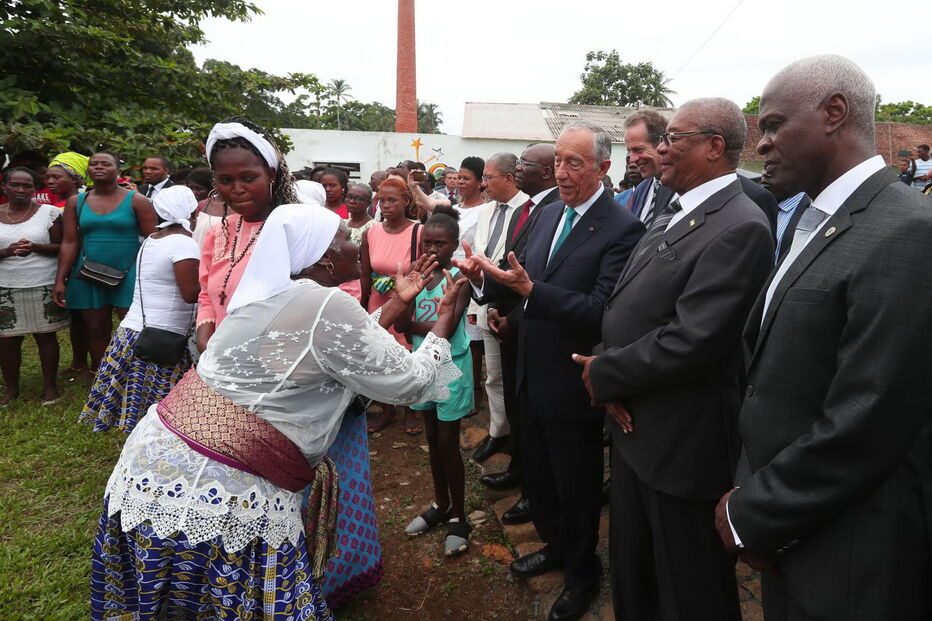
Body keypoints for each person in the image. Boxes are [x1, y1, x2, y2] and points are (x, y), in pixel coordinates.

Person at [90, 203, 467, 620]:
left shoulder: (273, 295)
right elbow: (410, 381)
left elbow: (341, 345)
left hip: (154, 466)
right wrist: (446, 318)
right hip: (218, 488)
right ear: (323, 256)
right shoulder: (325, 304)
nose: (354, 243)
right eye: (344, 238)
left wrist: (398, 299)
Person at [715, 55, 932, 621]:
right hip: (797, 530)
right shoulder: (816, 220)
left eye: (773, 124)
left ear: (835, 113)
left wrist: (754, 513)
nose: (760, 144)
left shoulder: (908, 231)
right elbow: (776, 377)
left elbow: (869, 414)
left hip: (853, 549)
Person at [575, 98, 774, 621]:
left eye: (674, 138)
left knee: (690, 586)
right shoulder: (676, 208)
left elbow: (695, 339)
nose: (661, 149)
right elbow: (625, 303)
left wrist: (605, 373)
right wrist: (606, 365)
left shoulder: (740, 226)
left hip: (682, 443)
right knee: (636, 570)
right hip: (636, 425)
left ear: (714, 146)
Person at [457, 122, 644, 621]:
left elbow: (603, 309)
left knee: (576, 485)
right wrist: (486, 284)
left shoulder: (623, 229)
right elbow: (520, 279)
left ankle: (583, 574)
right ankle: (556, 548)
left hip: (573, 380)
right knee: (539, 478)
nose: (561, 172)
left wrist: (530, 294)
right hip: (530, 371)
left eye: (574, 163)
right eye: (558, 161)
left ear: (604, 168)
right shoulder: (546, 214)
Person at [481, 143, 561, 528]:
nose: (517, 169)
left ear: (541, 172)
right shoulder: (537, 208)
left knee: (531, 412)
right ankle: (521, 469)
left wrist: (512, 314)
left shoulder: (549, 208)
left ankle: (534, 491)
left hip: (530, 323)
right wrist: (486, 286)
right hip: (513, 317)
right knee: (516, 404)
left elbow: (537, 275)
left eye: (523, 164)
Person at [79, 185, 200, 432]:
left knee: (138, 404)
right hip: (164, 337)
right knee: (163, 410)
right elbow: (190, 294)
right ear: (191, 213)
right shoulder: (184, 244)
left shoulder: (152, 239)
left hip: (133, 332)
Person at [397, 205, 474, 555]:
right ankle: (440, 505)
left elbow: (449, 327)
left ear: (454, 245)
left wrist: (415, 326)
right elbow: (402, 322)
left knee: (448, 443)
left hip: (449, 366)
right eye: (426, 243)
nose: (431, 250)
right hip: (421, 363)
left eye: (439, 244)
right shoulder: (416, 277)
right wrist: (415, 310)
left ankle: (459, 516)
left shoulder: (458, 279)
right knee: (431, 437)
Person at [194, 118, 299, 350]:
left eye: (249, 178)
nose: (237, 189)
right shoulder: (218, 233)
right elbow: (207, 297)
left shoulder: (293, 230)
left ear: (271, 175)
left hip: (276, 362)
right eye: (225, 180)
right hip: (218, 359)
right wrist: (204, 342)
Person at [52, 152, 158, 372]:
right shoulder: (77, 201)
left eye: (105, 164)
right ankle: (103, 376)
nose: (99, 167)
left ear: (117, 169)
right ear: (88, 171)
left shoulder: (137, 200)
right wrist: (60, 279)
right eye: (94, 164)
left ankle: (136, 375)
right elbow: (70, 241)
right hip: (88, 273)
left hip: (129, 272)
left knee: (133, 327)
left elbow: (153, 242)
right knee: (95, 329)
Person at [470, 153, 528, 463]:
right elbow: (477, 258)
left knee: (514, 377)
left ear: (509, 178)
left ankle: (518, 438)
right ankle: (498, 432)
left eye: (489, 177)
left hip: (514, 307)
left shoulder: (531, 210)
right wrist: (474, 302)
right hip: (484, 303)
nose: (483, 183)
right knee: (492, 376)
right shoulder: (485, 211)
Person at [0, 167, 69, 405]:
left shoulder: (49, 213)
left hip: (42, 283)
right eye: (15, 185)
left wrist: (35, 247)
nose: (21, 190)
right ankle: (11, 389)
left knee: (46, 337)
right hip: (6, 286)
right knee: (8, 340)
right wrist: (7, 251)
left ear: (34, 189)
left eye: (27, 186)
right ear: (4, 187)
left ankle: (50, 387)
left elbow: (62, 247)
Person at [360, 177, 423, 434]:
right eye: (381, 200)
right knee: (380, 356)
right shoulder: (371, 231)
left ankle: (411, 409)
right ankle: (388, 409)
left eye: (392, 200)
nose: (385, 205)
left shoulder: (418, 231)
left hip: (409, 300)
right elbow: (365, 272)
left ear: (406, 201)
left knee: (407, 354)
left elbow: (423, 270)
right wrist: (364, 303)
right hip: (379, 300)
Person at [45, 153, 93, 379]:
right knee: (76, 320)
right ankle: (78, 362)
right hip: (62, 268)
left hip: (82, 268)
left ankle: (94, 365)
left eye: (56, 177)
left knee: (91, 319)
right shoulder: (48, 205)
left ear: (75, 178)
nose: (50, 182)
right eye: (48, 177)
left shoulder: (85, 204)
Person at [452, 156, 487, 413]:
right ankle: (455, 383)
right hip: (450, 275)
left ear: (480, 182)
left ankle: (475, 390)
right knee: (452, 330)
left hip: (472, 275)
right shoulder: (454, 207)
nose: (460, 182)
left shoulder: (486, 210)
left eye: (466, 178)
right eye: (459, 177)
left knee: (473, 339)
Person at [626, 110, 676, 224]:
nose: (632, 160)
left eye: (638, 150)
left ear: (662, 143)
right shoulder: (640, 190)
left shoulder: (681, 188)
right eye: (629, 151)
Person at [339, 183, 375, 300]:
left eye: (359, 199)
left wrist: (364, 297)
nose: (352, 201)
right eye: (349, 197)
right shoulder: (341, 224)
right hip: (341, 281)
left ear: (368, 203)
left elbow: (367, 267)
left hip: (360, 283)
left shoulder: (373, 227)